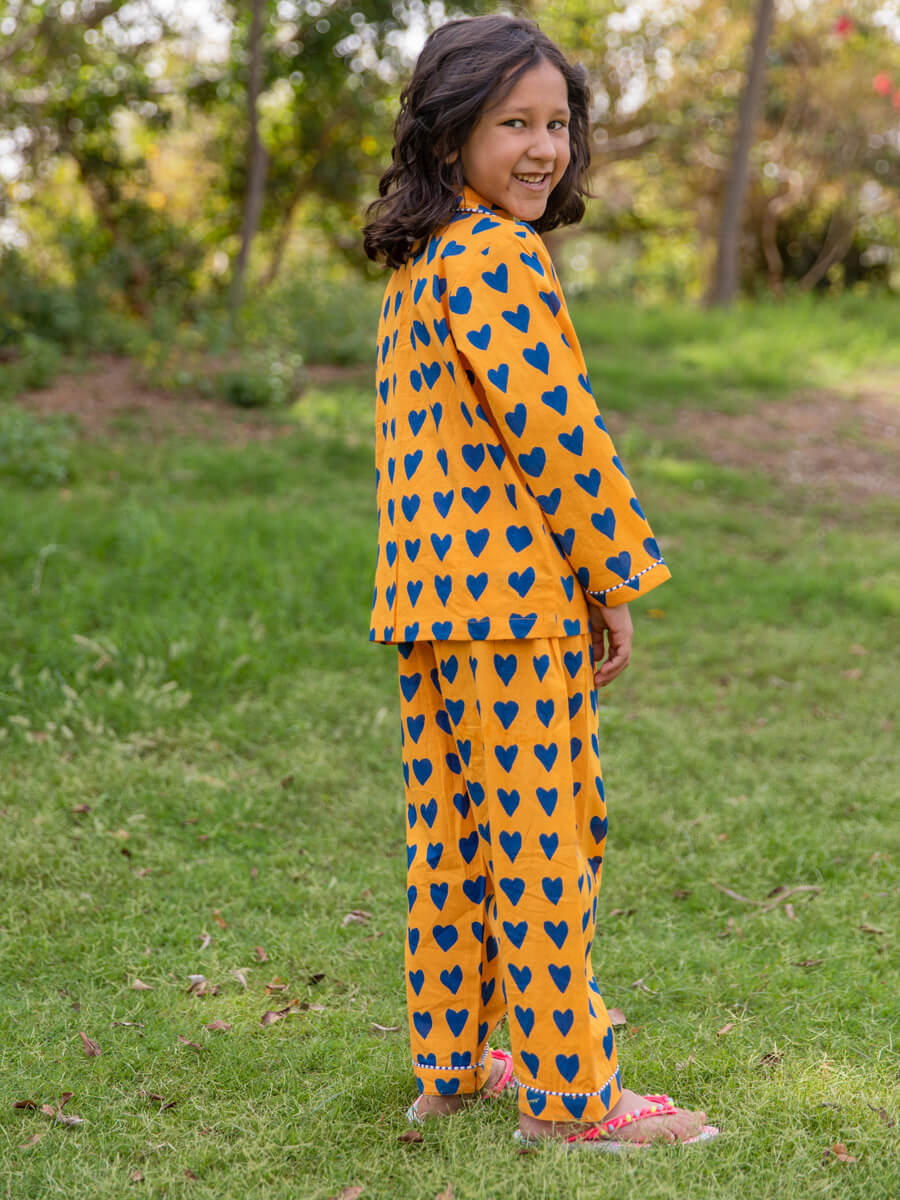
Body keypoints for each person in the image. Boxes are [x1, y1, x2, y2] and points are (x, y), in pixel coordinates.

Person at [362, 14, 718, 1151]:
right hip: (516, 607)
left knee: (456, 843)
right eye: (513, 123)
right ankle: (573, 1101)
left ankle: (453, 1067)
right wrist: (613, 575)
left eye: (557, 124)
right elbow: (557, 436)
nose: (543, 149)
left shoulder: (423, 264)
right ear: (449, 133)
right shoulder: (500, 258)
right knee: (541, 846)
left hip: (430, 602)